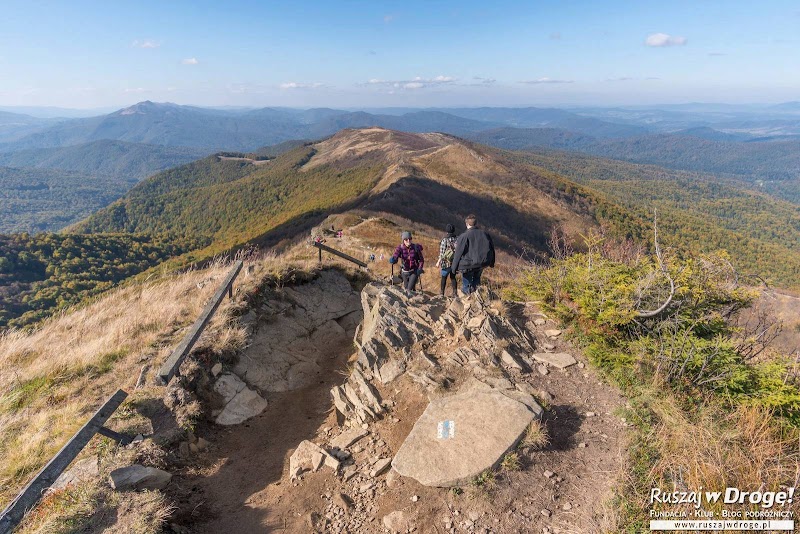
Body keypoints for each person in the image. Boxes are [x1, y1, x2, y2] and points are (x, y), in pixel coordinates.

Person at [451, 214, 495, 295]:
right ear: (476, 224)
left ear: (467, 224)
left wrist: (453, 269)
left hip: (468, 265)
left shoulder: (464, 236)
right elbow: (491, 248)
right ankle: (477, 298)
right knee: (477, 282)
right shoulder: (485, 234)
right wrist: (492, 262)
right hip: (482, 263)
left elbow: (458, 253)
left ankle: (468, 300)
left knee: (466, 285)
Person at [389, 231, 424, 296]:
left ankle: (410, 302)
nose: (408, 240)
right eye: (406, 239)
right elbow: (395, 257)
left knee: (408, 289)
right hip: (404, 272)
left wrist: (420, 268)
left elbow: (421, 260)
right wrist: (393, 260)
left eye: (410, 238)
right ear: (403, 240)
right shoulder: (400, 248)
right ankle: (414, 299)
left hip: (414, 271)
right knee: (407, 288)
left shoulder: (416, 248)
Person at [435, 224, 458, 297]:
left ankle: (442, 293)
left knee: (444, 277)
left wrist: (438, 262)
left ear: (446, 231)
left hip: (446, 263)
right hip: (454, 262)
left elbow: (442, 253)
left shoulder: (444, 240)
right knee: (453, 277)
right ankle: (455, 293)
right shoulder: (457, 239)